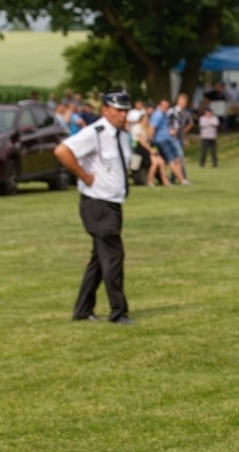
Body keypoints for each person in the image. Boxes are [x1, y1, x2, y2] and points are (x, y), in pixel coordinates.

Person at [54, 90, 136, 325]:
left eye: (126, 111)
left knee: (100, 259)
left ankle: (83, 309)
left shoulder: (122, 135)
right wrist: (83, 175)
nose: (123, 115)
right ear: (106, 110)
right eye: (118, 110)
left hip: (112, 203)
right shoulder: (95, 133)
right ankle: (118, 312)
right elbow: (62, 151)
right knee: (113, 256)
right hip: (97, 204)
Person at [150, 99, 190, 186]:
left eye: (167, 107)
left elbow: (164, 127)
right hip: (161, 140)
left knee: (176, 159)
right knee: (172, 160)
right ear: (160, 105)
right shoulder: (158, 115)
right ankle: (182, 180)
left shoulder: (164, 114)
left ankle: (176, 179)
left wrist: (170, 131)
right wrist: (151, 142)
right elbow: (152, 128)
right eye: (164, 106)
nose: (165, 108)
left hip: (167, 139)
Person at [131, 111, 170, 186]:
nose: (146, 121)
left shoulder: (148, 128)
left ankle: (164, 180)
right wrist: (150, 150)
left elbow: (150, 140)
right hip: (141, 149)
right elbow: (142, 142)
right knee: (154, 162)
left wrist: (153, 149)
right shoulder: (137, 127)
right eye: (145, 119)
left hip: (149, 147)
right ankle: (150, 180)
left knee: (161, 162)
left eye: (147, 119)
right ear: (141, 120)